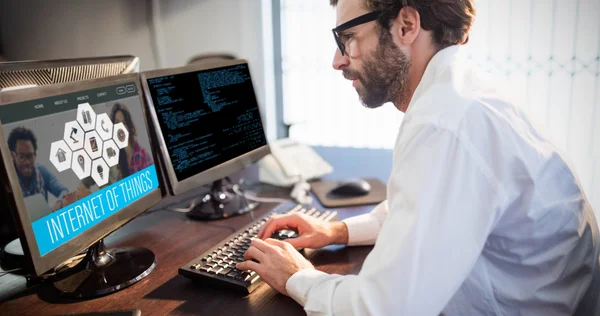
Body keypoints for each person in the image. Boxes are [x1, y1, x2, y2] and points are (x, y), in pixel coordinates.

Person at [236, 0, 599, 315]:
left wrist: (297, 277)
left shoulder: (446, 123)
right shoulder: (463, 92)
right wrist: (337, 230)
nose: (338, 60)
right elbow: (430, 211)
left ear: (407, 26)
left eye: (347, 38)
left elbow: (383, 309)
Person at [7, 127, 69, 211]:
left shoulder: (41, 171)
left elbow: (63, 190)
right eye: (22, 157)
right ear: (12, 155)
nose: (27, 162)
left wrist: (59, 203)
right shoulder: (8, 181)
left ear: (35, 154)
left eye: (30, 156)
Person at [109, 103, 152, 180]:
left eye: (124, 123)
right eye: (117, 123)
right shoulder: (116, 157)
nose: (120, 127)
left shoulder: (141, 155)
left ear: (129, 126)